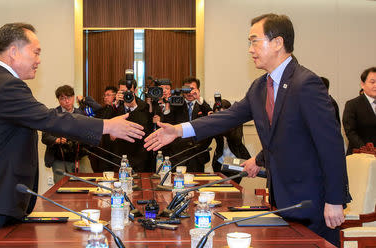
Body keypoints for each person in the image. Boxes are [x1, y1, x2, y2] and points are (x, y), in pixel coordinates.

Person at [145, 14, 350, 246]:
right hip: (282, 198)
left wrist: (335, 200)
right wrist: (178, 130)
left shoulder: (306, 83)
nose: (250, 49)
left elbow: (331, 146)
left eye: (254, 41)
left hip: (314, 202)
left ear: (277, 42)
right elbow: (227, 118)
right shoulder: (260, 86)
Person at [0, 23, 144, 243]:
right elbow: (50, 119)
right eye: (36, 52)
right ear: (14, 51)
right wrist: (106, 126)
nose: (39, 60)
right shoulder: (5, 86)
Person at [42, 85, 100, 183]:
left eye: (68, 97)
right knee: (61, 188)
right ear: (58, 100)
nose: (66, 101)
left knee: (90, 182)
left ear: (73, 97)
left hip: (80, 156)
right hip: (59, 157)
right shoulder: (53, 114)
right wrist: (56, 140)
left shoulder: (81, 114)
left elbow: (90, 134)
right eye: (62, 98)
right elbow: (45, 137)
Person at [161, 77, 212, 172]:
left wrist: (199, 99)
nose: (189, 92)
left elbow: (211, 119)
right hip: (178, 155)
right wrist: (167, 104)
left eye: (192, 89)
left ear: (198, 90)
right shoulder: (176, 104)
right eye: (186, 89)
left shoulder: (202, 106)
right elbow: (167, 124)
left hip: (198, 155)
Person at [108, 79, 153, 172]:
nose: (126, 95)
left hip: (138, 155)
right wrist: (114, 105)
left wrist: (133, 107)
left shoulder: (143, 105)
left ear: (135, 91)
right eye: (123, 92)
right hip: (119, 154)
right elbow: (107, 122)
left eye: (129, 92)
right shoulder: (116, 106)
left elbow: (144, 128)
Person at [211, 99, 251, 183]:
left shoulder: (237, 121)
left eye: (223, 114)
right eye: (218, 114)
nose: (220, 117)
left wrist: (222, 123)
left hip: (235, 163)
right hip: (220, 162)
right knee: (219, 190)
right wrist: (209, 120)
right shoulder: (214, 124)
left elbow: (236, 139)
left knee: (233, 190)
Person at [342, 67, 376, 155]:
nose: (375, 85)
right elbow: (350, 132)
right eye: (372, 82)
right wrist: (367, 151)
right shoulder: (352, 105)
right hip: (360, 156)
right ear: (362, 84)